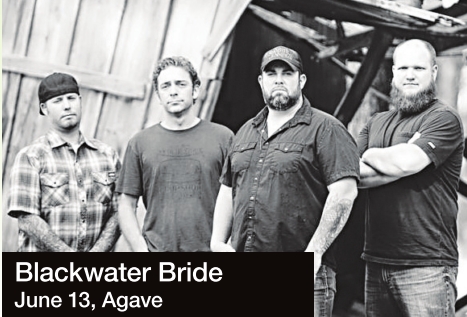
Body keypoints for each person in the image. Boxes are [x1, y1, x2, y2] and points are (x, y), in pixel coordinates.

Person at [211, 46, 360, 316]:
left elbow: (344, 193)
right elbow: (228, 188)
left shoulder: (326, 129)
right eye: (271, 74)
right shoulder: (245, 132)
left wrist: (314, 254)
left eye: (287, 73)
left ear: (301, 80)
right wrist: (217, 243)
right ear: (261, 81)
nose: (278, 80)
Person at [358, 39, 464, 317]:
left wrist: (372, 154)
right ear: (394, 73)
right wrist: (397, 161)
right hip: (376, 261)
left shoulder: (444, 118)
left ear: (434, 72)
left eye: (419, 68)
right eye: (403, 68)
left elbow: (408, 162)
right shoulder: (376, 122)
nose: (410, 75)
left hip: (427, 265)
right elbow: (353, 174)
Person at [116, 56, 233, 252]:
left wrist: (226, 245)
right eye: (166, 86)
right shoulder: (140, 143)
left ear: (195, 90)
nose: (173, 91)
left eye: (180, 84)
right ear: (158, 95)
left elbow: (239, 198)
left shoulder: (223, 138)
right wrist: (140, 249)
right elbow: (126, 204)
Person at [8, 72, 121, 252]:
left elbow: (120, 212)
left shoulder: (108, 155)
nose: (67, 106)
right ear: (44, 109)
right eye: (58, 101)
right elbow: (27, 219)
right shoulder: (31, 156)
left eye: (71, 98)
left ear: (80, 101)